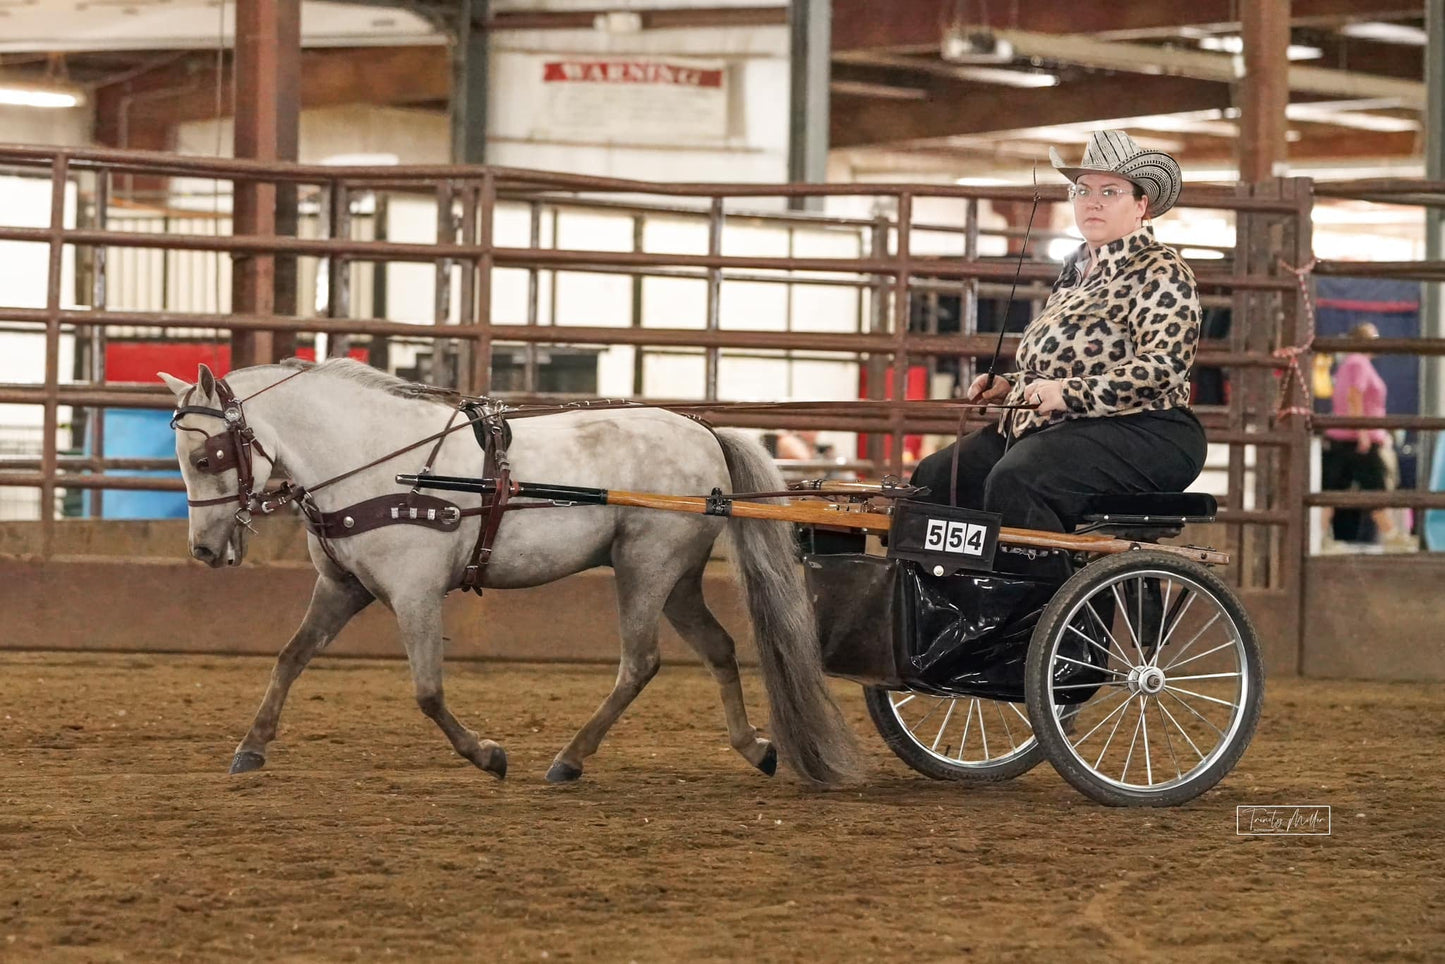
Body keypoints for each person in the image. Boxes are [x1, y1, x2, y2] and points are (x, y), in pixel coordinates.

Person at [910, 130, 1207, 550]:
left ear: (1142, 205)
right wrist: (1012, 385)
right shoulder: (1075, 272)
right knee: (937, 477)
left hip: (1144, 430)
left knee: (1020, 479)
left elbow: (1162, 367)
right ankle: (951, 598)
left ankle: (1041, 607)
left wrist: (1069, 393)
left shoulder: (1161, 270)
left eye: (1110, 191)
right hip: (1054, 428)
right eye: (1082, 190)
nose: (1093, 201)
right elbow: (1056, 364)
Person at [1321, 322, 1395, 546]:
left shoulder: (1349, 362)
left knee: (1332, 492)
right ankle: (1393, 537)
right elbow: (1355, 396)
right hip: (1358, 439)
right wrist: (1362, 430)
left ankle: (1318, 537)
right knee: (1376, 490)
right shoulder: (1359, 362)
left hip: (1344, 437)